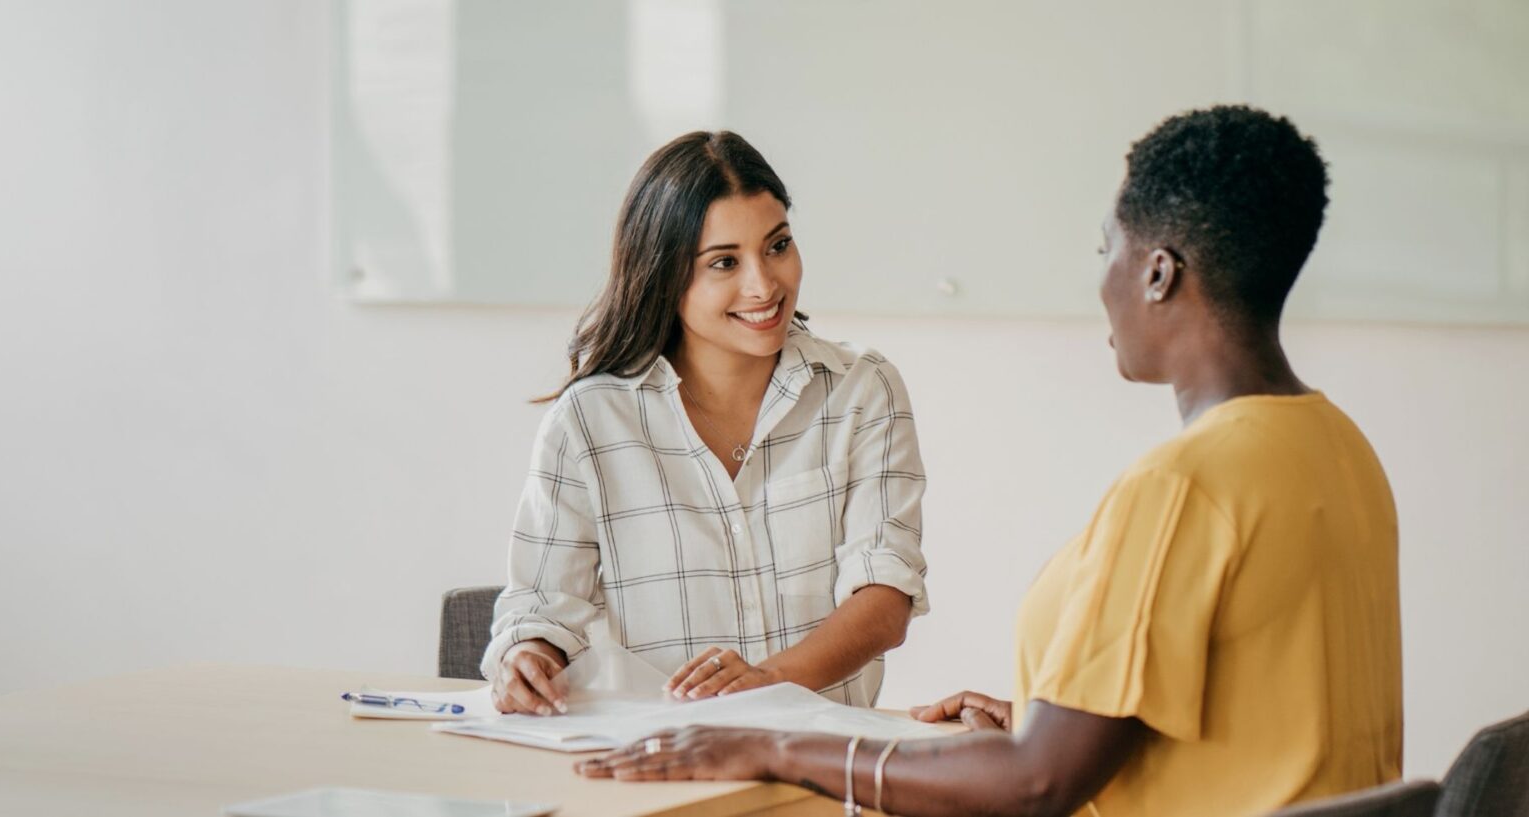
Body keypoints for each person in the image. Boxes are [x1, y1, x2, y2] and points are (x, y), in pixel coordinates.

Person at [576, 106, 1404, 817]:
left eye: (1105, 248)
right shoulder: (1339, 449)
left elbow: (1036, 789)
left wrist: (772, 746)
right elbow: (1252, 721)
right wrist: (1036, 726)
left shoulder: (1183, 488)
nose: (1101, 279)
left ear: (1158, 273)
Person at [482, 131, 930, 716]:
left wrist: (764, 681)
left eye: (778, 246)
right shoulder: (589, 422)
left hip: (823, 763)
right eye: (724, 262)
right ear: (664, 276)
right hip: (656, 763)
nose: (764, 285)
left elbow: (884, 597)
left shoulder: (861, 389)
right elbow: (540, 606)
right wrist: (529, 656)